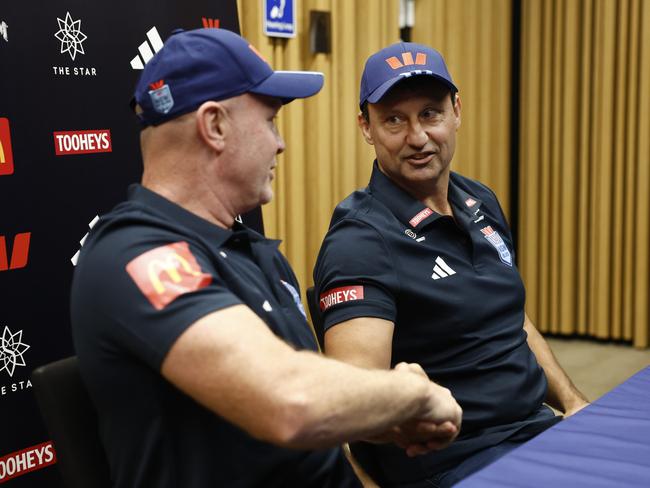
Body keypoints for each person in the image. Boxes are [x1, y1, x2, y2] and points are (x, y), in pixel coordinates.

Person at [70, 29, 463, 488]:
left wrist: (378, 416)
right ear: (214, 126)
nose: (280, 144)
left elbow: (316, 414)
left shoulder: (251, 250)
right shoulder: (136, 254)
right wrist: (410, 394)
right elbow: (290, 401)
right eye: (270, 122)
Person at [313, 41, 590, 488]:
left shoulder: (477, 199)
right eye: (394, 120)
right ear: (366, 127)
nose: (418, 138)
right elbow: (353, 397)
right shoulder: (360, 242)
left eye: (430, 113)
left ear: (456, 110)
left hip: (535, 430)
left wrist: (574, 404)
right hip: (457, 463)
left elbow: (510, 317)